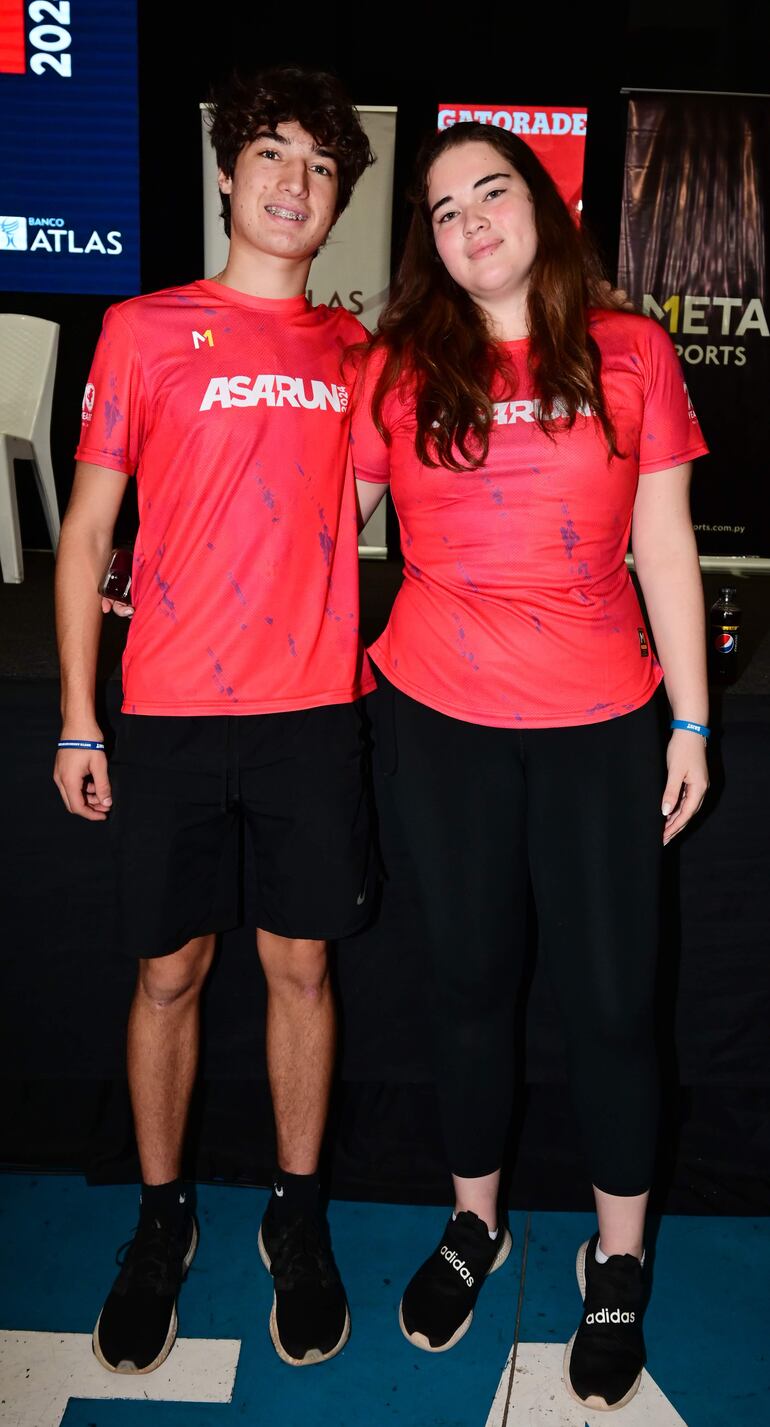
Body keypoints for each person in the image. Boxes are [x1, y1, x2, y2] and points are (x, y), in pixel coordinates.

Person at [352, 121, 709, 1410]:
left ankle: (617, 1261)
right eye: (442, 212)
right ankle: (475, 1222)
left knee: (613, 1006)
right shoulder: (396, 367)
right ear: (431, 246)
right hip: (439, 719)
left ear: (542, 208)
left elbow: (666, 542)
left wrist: (692, 723)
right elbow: (326, 526)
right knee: (469, 988)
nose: (468, 224)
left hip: (602, 723)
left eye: (489, 193)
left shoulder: (633, 351)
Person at [53, 65, 375, 1375]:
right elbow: (86, 535)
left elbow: (368, 508)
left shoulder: (357, 353)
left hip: (311, 714)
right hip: (171, 710)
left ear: (337, 201)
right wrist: (79, 719)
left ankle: (295, 1216)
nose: (295, 182)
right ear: (228, 173)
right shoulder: (141, 330)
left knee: (302, 971)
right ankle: (161, 1219)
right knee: (168, 975)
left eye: (321, 166)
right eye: (273, 155)